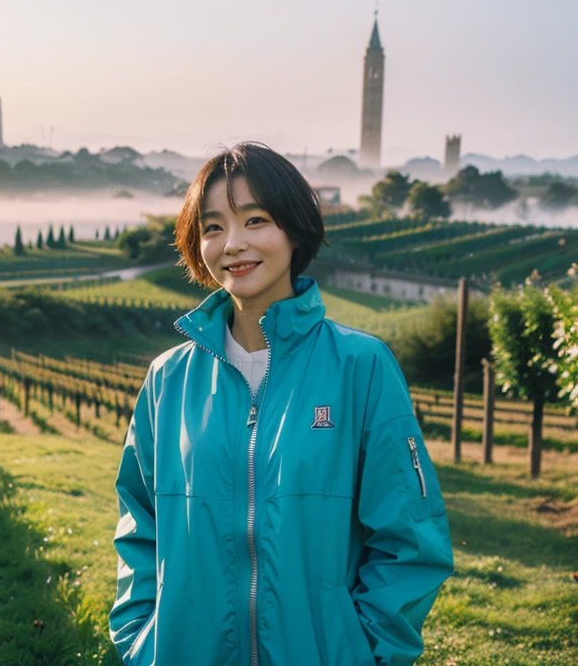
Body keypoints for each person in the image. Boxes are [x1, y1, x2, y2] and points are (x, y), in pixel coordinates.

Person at [109, 142, 454, 666]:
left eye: (256, 220)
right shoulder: (168, 379)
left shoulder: (361, 367)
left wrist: (366, 653)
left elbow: (410, 541)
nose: (233, 244)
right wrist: (143, 639)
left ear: (294, 229)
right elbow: (140, 527)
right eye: (213, 227)